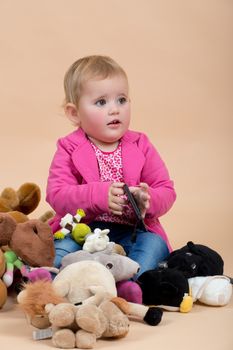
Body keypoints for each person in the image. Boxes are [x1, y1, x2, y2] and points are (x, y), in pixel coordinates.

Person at [46, 55, 176, 302]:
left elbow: (166, 189)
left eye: (122, 100)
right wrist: (97, 196)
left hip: (132, 232)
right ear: (74, 113)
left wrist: (148, 200)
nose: (114, 109)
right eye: (101, 102)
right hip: (84, 232)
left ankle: (128, 286)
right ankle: (55, 285)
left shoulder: (140, 144)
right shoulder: (69, 148)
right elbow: (57, 194)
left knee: (154, 246)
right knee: (61, 249)